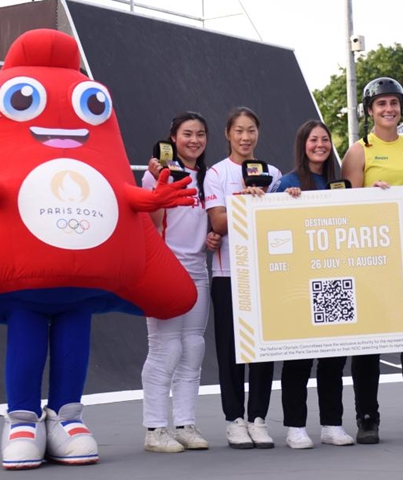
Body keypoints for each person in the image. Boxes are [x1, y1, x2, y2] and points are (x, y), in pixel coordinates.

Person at [340, 76, 403, 444]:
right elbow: (346, 205)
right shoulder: (357, 152)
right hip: (369, 254)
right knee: (367, 342)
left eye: (393, 103)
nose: (388, 109)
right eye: (380, 104)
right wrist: (369, 193)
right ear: (369, 111)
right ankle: (367, 417)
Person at [270, 120, 355, 449]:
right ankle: (295, 426)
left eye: (324, 139)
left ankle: (332, 424)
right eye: (313, 140)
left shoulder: (340, 183)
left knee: (334, 359)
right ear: (302, 144)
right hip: (299, 281)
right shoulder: (288, 183)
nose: (319, 145)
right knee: (299, 358)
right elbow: (273, 225)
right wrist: (284, 201)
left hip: (335, 279)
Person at [140, 112, 221, 453]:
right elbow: (152, 220)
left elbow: (208, 221)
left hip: (198, 269)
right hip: (165, 270)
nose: (194, 140)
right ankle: (155, 429)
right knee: (165, 349)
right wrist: (160, 183)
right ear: (172, 137)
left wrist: (213, 237)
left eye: (200, 134)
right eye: (187, 133)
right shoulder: (154, 175)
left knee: (193, 348)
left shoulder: (207, 177)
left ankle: (185, 424)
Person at [204, 106, 282, 449]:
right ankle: (234, 419)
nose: (245, 137)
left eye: (251, 130)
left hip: (264, 272)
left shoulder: (274, 174)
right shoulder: (216, 174)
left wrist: (280, 199)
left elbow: (281, 223)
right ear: (228, 134)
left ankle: (258, 418)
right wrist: (245, 201)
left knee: (262, 349)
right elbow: (218, 223)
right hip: (227, 273)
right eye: (239, 130)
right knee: (231, 350)